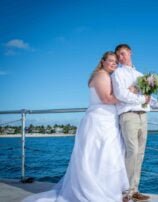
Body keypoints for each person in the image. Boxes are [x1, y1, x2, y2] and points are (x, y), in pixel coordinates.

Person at [22, 51, 129, 202]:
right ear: (103, 61)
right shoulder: (101, 75)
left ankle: (108, 190)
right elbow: (106, 99)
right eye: (110, 60)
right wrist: (129, 94)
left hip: (108, 121)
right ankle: (96, 192)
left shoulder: (107, 76)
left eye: (115, 62)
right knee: (97, 156)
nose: (113, 63)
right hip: (99, 122)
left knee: (107, 156)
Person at [111, 44, 158, 201]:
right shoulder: (117, 73)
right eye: (118, 56)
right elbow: (121, 94)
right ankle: (125, 192)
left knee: (140, 154)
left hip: (143, 116)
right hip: (128, 115)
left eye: (123, 54)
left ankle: (134, 190)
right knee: (131, 152)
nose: (121, 58)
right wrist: (140, 98)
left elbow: (148, 96)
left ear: (130, 53)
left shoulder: (141, 75)